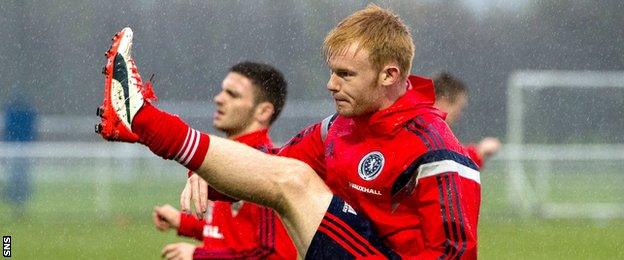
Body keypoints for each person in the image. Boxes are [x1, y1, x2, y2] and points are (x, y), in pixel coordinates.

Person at [97, 4, 480, 259]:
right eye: (332, 71)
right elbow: (266, 171)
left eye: (345, 74)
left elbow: (455, 251)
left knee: (295, 179)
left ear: (389, 74)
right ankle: (141, 122)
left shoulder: (436, 150)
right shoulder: (337, 129)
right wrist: (204, 175)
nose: (331, 84)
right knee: (286, 171)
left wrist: (198, 253)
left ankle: (142, 116)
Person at [150, 62, 297, 259]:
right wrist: (182, 222)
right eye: (222, 91)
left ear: (263, 111)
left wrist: (199, 256)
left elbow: (275, 255)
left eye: (232, 94)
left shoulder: (264, 167)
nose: (218, 98)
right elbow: (230, 235)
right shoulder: (229, 158)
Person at [432, 72, 501, 168]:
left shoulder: (422, 124)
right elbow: (450, 163)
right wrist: (479, 152)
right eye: (458, 107)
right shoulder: (429, 130)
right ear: (444, 102)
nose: (459, 114)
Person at [3, 91, 37, 217]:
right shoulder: (27, 113)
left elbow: (9, 130)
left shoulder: (14, 113)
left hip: (19, 149)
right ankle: (18, 204)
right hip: (20, 149)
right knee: (18, 179)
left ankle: (18, 204)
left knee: (19, 178)